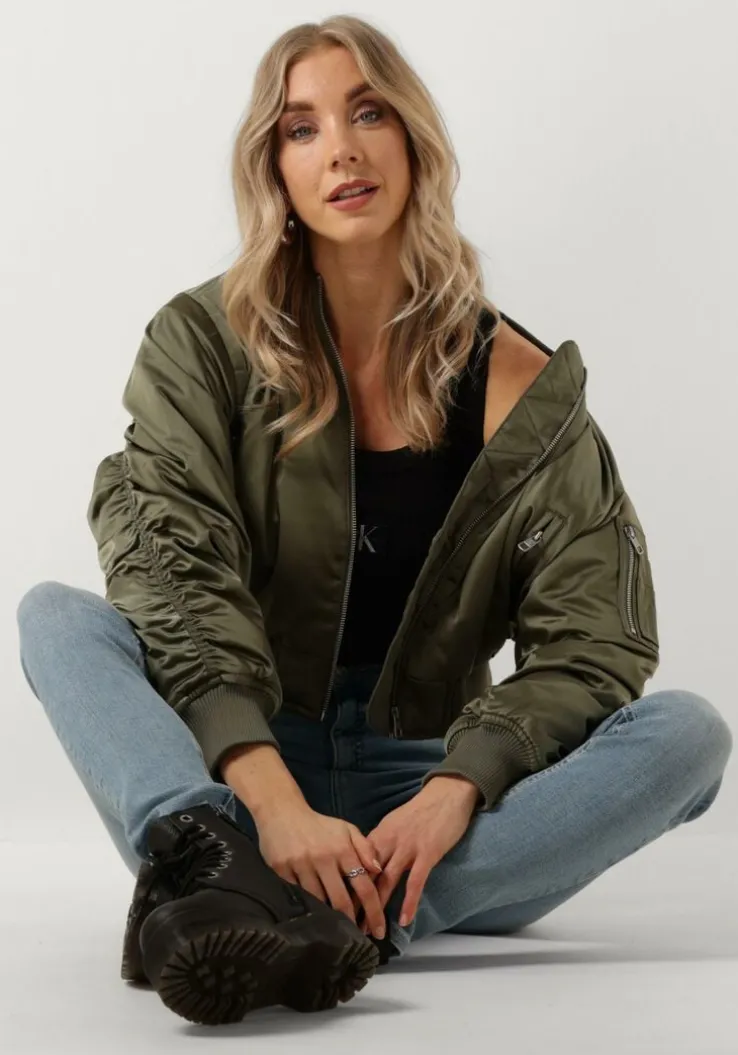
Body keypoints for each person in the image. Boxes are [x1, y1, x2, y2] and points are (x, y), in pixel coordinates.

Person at [16, 13, 732, 1030]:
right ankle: (210, 858)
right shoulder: (203, 344)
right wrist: (269, 802)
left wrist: (459, 788)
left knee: (690, 736)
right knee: (55, 616)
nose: (341, 149)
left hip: (433, 805)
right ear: (275, 170)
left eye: (367, 113)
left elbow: (594, 639)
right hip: (244, 768)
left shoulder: (520, 388)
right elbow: (173, 570)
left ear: (412, 137)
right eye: (301, 128)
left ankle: (317, 916)